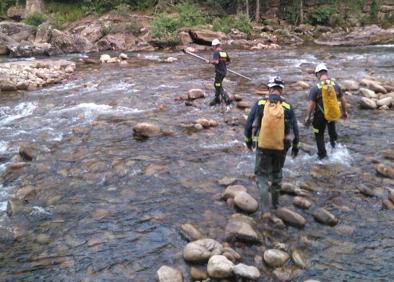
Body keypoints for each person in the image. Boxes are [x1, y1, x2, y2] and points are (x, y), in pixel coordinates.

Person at [244, 77, 300, 212]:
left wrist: (248, 141)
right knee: (277, 174)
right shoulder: (287, 106)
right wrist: (296, 146)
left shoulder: (260, 103)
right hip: (281, 147)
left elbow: (248, 124)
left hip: (262, 146)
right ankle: (275, 206)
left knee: (261, 175)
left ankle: (265, 209)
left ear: (269, 89)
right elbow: (295, 129)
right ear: (281, 90)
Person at [304, 63, 348, 160]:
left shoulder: (315, 88)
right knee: (332, 130)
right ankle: (334, 148)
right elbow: (343, 100)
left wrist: (307, 117)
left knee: (318, 134)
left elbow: (311, 104)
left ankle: (322, 156)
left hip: (319, 116)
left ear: (318, 74)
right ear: (326, 73)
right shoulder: (336, 85)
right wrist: (344, 112)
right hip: (331, 114)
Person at [206, 39, 232, 106]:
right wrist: (223, 63)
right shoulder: (224, 52)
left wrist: (209, 62)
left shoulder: (216, 52)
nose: (212, 47)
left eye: (213, 46)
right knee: (218, 84)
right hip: (224, 72)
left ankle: (226, 98)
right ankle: (217, 99)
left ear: (215, 46)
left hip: (219, 72)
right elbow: (228, 62)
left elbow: (216, 62)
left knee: (217, 85)